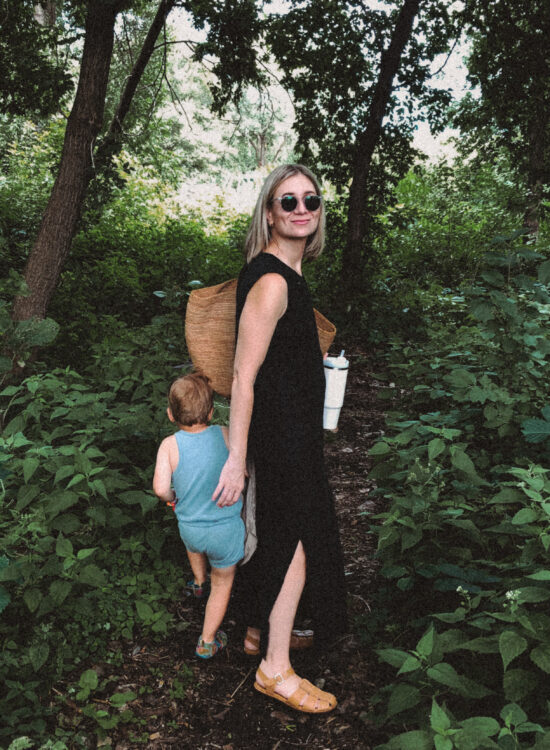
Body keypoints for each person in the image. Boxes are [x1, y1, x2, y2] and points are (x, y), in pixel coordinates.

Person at [213, 164, 348, 713]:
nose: (300, 209)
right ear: (268, 212)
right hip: (279, 436)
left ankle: (256, 635)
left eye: (310, 201)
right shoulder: (271, 281)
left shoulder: (288, 276)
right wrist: (236, 459)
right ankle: (274, 668)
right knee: (294, 540)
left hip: (293, 432)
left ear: (319, 214)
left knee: (287, 535)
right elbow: (243, 376)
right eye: (286, 200)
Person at [153, 372, 245, 659]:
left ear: (170, 414)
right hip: (226, 530)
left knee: (194, 546)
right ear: (211, 411)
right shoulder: (226, 434)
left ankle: (198, 582)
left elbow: (159, 489)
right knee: (224, 581)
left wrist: (173, 498)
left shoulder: (169, 445)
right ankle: (207, 640)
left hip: (190, 528)